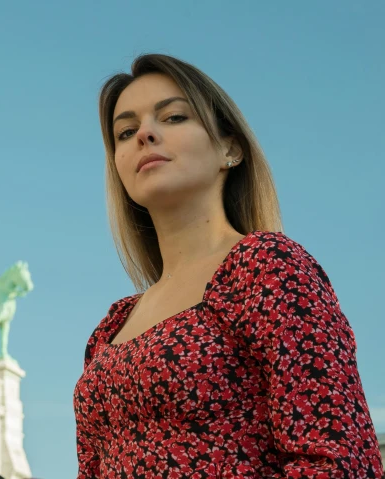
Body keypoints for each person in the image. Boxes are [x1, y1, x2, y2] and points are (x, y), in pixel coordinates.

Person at [73, 53, 383, 478]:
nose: (144, 134)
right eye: (125, 132)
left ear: (230, 148)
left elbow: (339, 459)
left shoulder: (267, 267)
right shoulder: (110, 328)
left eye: (174, 117)